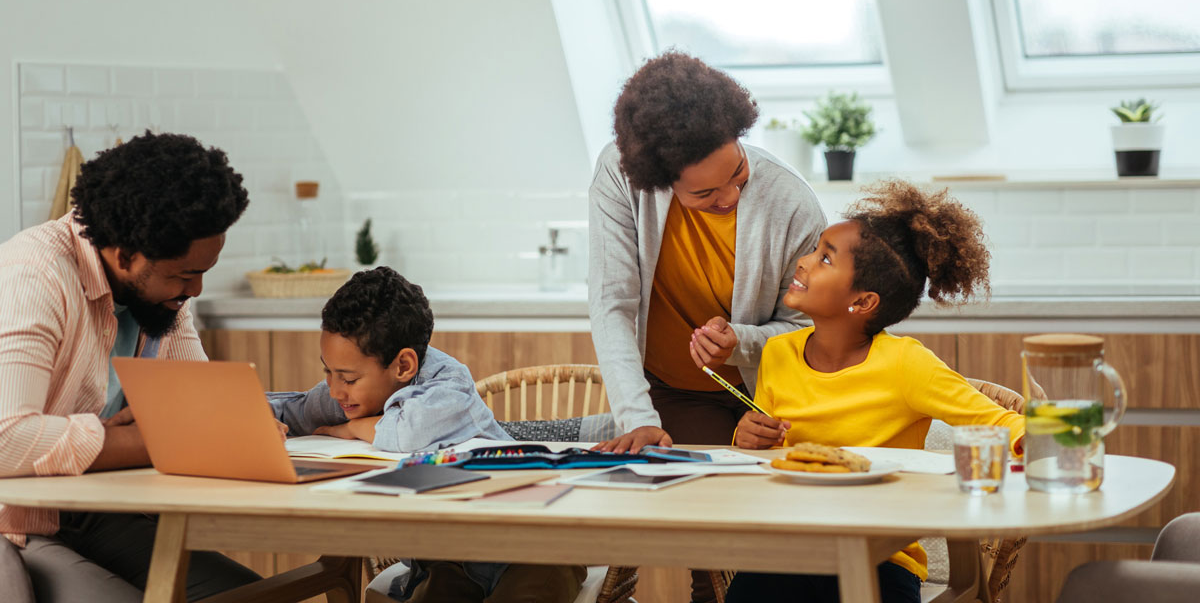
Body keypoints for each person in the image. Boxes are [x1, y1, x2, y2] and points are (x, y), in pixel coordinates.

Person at [722, 180, 1027, 603]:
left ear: (862, 302)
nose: (804, 262)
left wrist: (1033, 439)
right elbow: (766, 452)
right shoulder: (778, 353)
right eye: (814, 250)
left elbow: (1003, 422)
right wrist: (747, 437)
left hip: (882, 559)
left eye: (824, 258)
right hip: (790, 549)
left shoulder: (905, 364)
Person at [0, 131, 257, 602]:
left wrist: (235, 429)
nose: (196, 290)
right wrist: (136, 441)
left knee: (256, 597)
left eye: (203, 272)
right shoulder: (34, 274)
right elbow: (4, 440)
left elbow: (200, 412)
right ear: (124, 255)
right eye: (184, 275)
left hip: (97, 510)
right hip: (16, 521)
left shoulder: (160, 293)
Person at [266, 266, 585, 603]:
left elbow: (408, 430)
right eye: (327, 372)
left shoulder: (450, 385)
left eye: (346, 378)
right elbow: (297, 410)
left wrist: (349, 428)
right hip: (453, 557)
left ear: (403, 366)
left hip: (533, 547)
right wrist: (260, 420)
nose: (333, 391)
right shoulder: (352, 389)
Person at [589, 50, 826, 455]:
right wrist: (639, 419)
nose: (730, 196)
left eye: (737, 173)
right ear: (660, 182)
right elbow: (612, 303)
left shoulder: (791, 202)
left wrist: (742, 342)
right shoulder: (620, 174)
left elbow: (811, 329)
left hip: (776, 396)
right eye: (704, 192)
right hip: (674, 394)